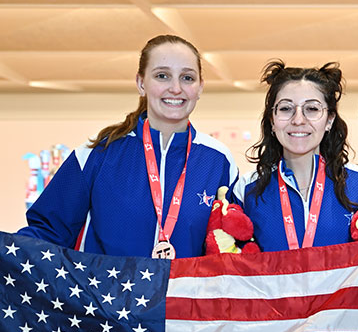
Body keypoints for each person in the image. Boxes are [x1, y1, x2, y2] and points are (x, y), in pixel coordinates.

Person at [18, 34, 238, 259]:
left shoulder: (218, 160)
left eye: (187, 78)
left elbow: (234, 243)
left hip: (185, 284)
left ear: (200, 88)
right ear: (141, 83)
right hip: (106, 283)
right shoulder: (99, 152)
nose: (175, 88)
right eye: (162, 76)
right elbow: (48, 231)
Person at [234, 60, 358, 253]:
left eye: (312, 109)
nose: (298, 120)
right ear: (272, 120)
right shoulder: (246, 190)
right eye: (286, 108)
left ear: (329, 120)